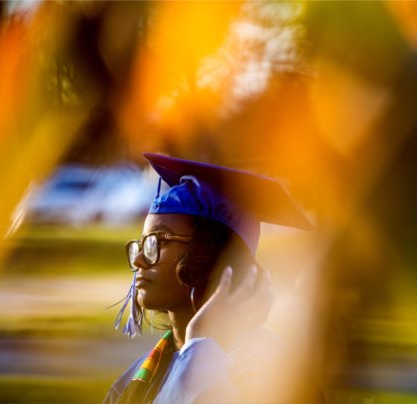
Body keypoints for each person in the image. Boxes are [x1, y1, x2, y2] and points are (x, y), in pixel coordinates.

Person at [104, 153, 313, 404]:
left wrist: (200, 346)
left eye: (158, 242)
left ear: (213, 256)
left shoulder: (273, 374)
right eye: (142, 244)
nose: (139, 260)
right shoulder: (139, 376)